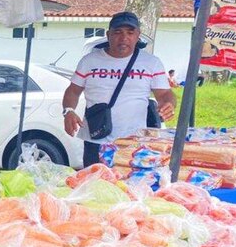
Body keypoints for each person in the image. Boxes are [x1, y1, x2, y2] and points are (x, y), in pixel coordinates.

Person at [62, 11, 177, 168]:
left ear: (138, 35)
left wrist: (168, 104)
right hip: (95, 140)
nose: (124, 38)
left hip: (133, 142)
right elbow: (73, 91)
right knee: (95, 186)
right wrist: (68, 111)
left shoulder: (151, 63)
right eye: (118, 32)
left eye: (130, 33)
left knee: (130, 187)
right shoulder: (89, 61)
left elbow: (164, 94)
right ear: (108, 34)